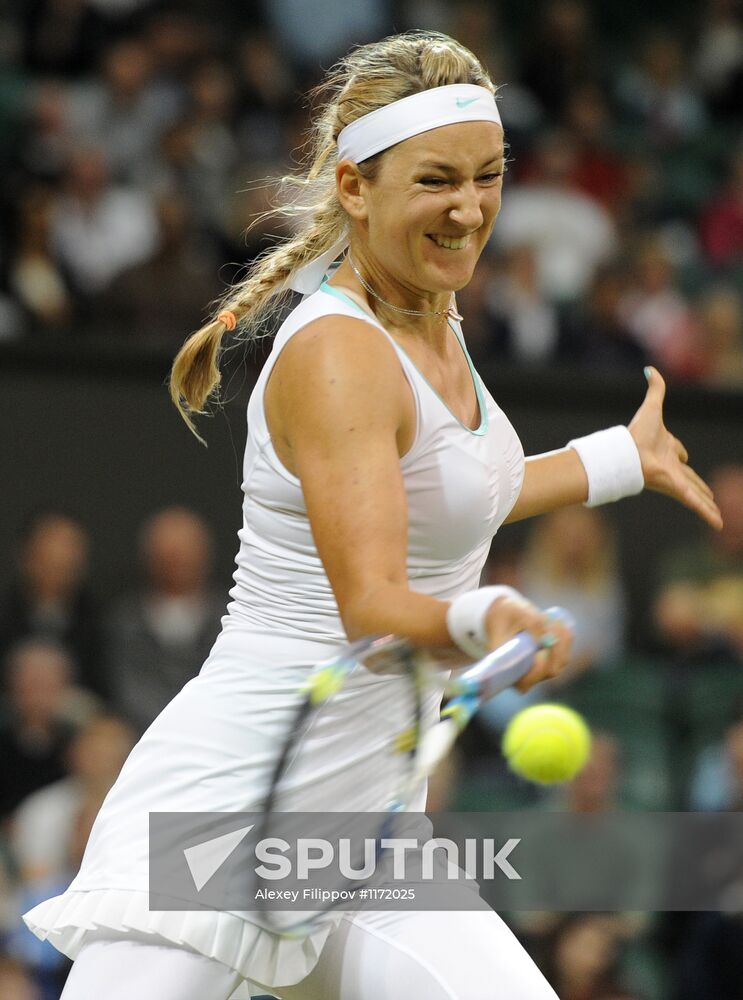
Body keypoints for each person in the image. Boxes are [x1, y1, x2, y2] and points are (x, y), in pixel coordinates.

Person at [22, 31, 720, 1000]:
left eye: (487, 175)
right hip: (230, 818)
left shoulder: (434, 315)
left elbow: (449, 494)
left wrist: (609, 460)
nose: (469, 207)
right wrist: (482, 619)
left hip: (370, 834)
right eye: (436, 179)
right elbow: (370, 599)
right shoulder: (338, 353)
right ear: (354, 186)